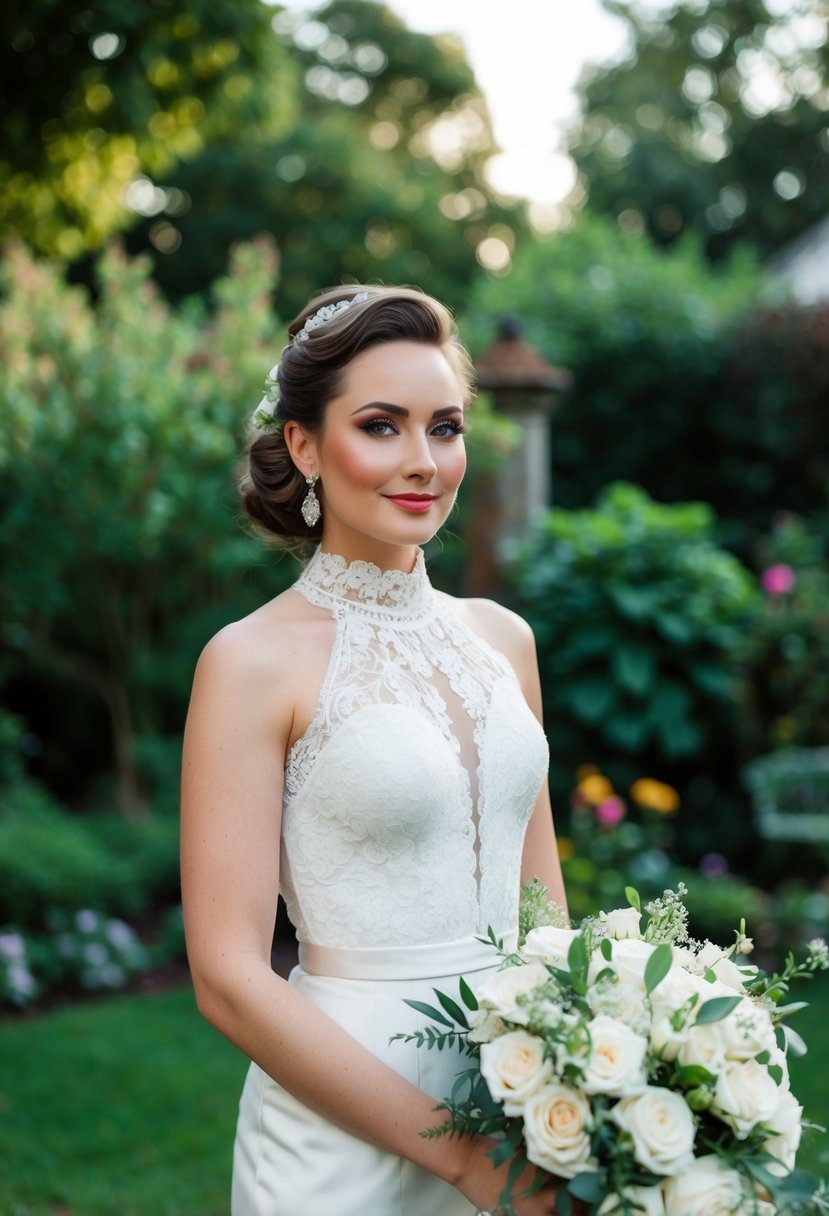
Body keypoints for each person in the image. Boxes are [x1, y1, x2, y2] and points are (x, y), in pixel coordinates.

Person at [180, 284, 569, 1215]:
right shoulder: (249, 662)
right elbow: (228, 978)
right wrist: (461, 1158)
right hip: (340, 1132)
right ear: (306, 446)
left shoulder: (504, 641)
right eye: (382, 426)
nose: (423, 462)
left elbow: (544, 912)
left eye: (445, 427)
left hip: (522, 1105)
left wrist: (597, 1075)